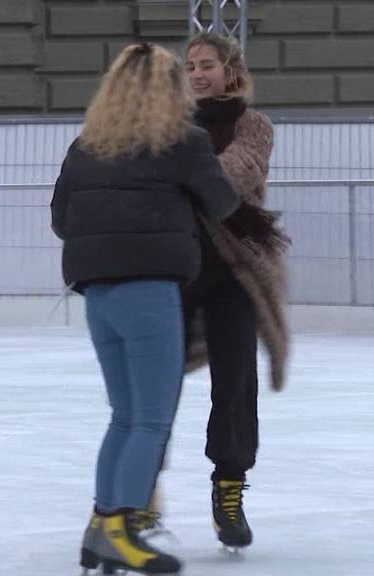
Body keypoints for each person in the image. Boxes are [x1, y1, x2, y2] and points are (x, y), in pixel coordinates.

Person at [52, 42, 241, 575]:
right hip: (150, 293)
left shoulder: (86, 145)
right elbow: (224, 203)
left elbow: (62, 218)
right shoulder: (183, 141)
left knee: (125, 416)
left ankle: (100, 525)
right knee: (152, 420)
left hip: (98, 295)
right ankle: (122, 528)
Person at [182, 31, 290, 550]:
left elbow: (231, 179)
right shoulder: (169, 126)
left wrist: (172, 170)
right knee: (151, 388)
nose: (198, 73)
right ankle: (139, 492)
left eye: (207, 64)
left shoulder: (253, 126)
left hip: (234, 276)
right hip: (174, 269)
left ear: (230, 70)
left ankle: (230, 488)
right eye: (190, 66)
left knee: (235, 386)